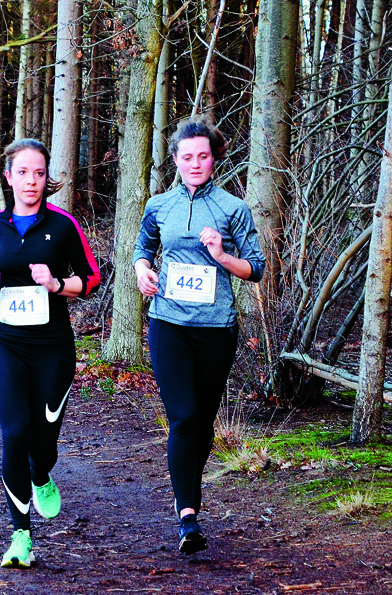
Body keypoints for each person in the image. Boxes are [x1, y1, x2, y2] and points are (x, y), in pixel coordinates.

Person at [133, 118, 266, 554]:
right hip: (168, 323)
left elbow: (256, 269)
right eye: (187, 156)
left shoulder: (233, 209)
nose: (195, 163)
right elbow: (142, 247)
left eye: (203, 156)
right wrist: (141, 272)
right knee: (185, 417)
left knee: (202, 424)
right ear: (175, 159)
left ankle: (185, 492)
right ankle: (187, 514)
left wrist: (221, 255)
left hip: (216, 329)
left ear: (215, 158)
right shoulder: (159, 205)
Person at [0, 139, 100, 568]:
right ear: (8, 177)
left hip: (53, 349)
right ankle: (20, 536)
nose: (31, 181)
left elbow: (93, 278)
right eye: (23, 173)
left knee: (43, 442)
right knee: (14, 433)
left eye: (39, 174)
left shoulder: (63, 225)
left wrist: (58, 284)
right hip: (4, 343)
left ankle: (42, 473)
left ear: (47, 179)